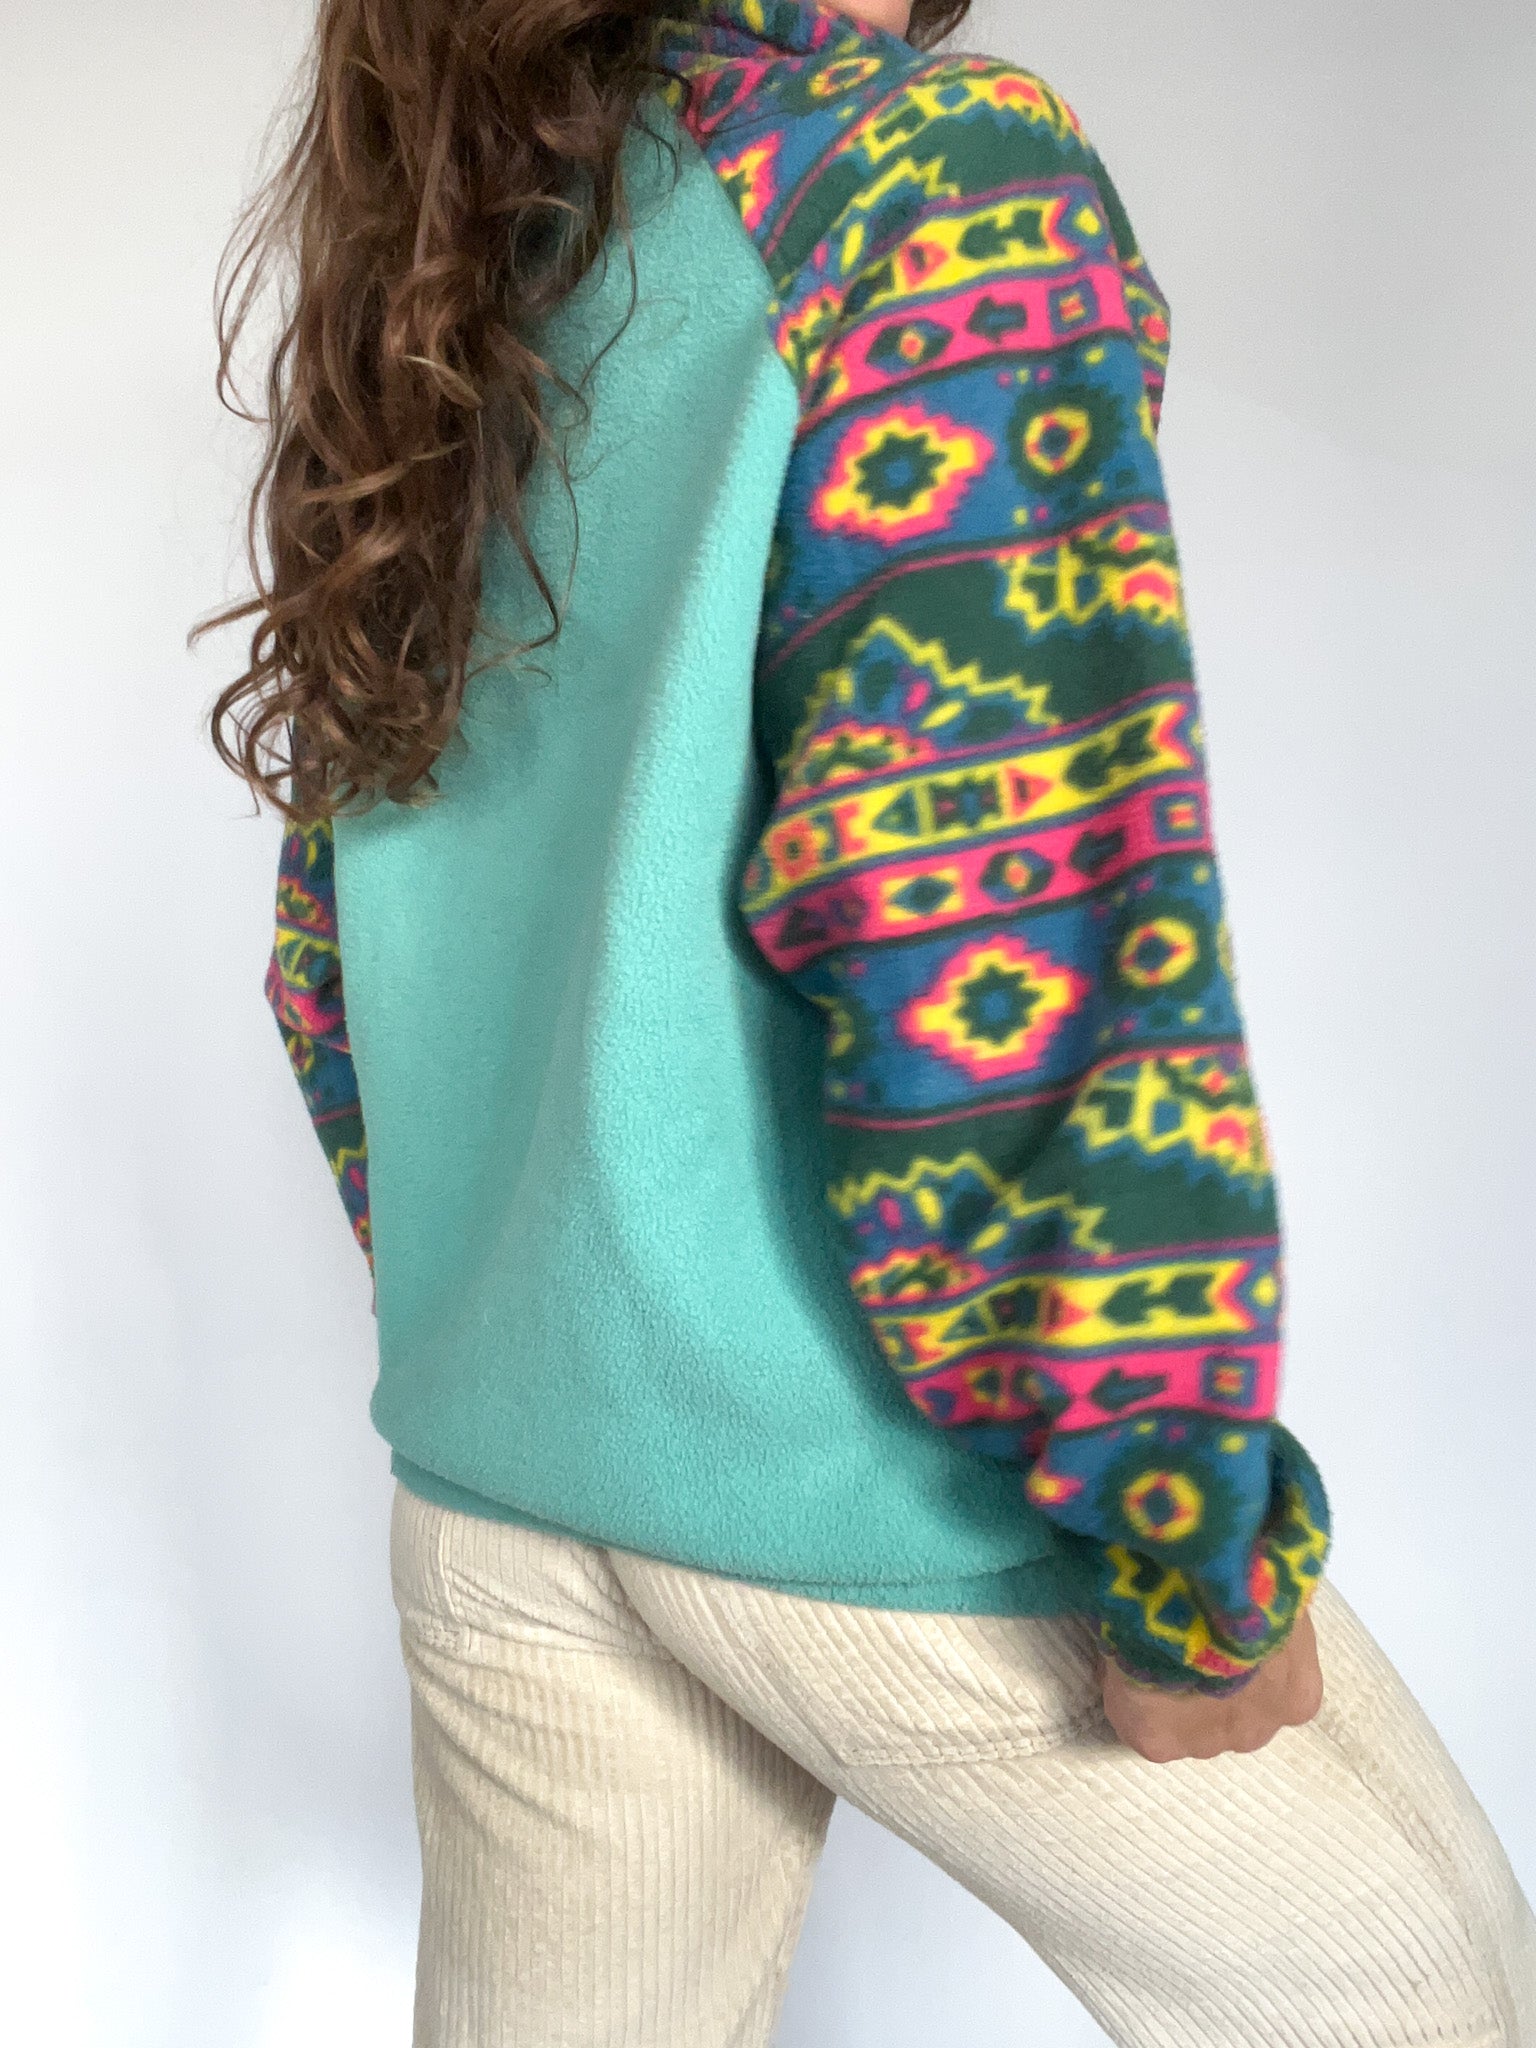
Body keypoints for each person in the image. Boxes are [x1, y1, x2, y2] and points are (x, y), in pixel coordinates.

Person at [200, 0, 1536, 2039]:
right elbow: (1011, 910)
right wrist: (1186, 1537)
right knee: (1431, 1996)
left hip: (498, 1478)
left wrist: (510, 1314)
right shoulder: (928, 177)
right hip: (854, 1475)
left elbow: (330, 949)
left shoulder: (487, 227)